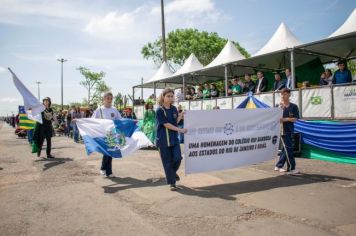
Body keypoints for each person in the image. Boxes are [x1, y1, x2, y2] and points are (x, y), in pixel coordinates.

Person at [156, 88, 187, 191]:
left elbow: (174, 122)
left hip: (174, 139)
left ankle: (172, 173)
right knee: (167, 162)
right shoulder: (159, 110)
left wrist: (181, 116)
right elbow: (166, 124)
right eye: (168, 96)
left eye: (171, 96)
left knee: (178, 158)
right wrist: (180, 130)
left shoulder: (174, 109)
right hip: (163, 140)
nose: (170, 98)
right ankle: (172, 183)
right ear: (163, 97)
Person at [91, 92, 122, 178]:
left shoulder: (114, 110)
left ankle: (107, 171)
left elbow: (120, 120)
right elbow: (92, 121)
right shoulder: (99, 110)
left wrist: (131, 121)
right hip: (102, 134)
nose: (109, 100)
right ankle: (105, 169)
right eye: (108, 98)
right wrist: (79, 121)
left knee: (110, 152)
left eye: (111, 99)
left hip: (112, 134)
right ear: (104, 99)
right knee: (107, 151)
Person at [275, 88, 300, 174]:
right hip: (282, 131)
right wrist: (280, 108)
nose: (283, 96)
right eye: (282, 94)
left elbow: (295, 119)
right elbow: (275, 118)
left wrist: (286, 119)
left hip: (290, 130)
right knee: (288, 149)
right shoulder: (278, 106)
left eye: (285, 94)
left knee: (285, 149)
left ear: (289, 95)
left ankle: (278, 165)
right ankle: (292, 168)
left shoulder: (294, 106)